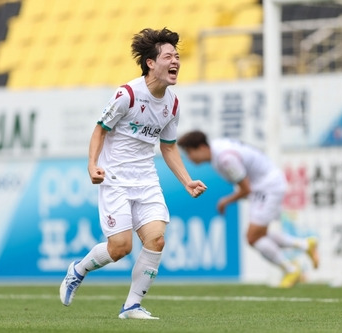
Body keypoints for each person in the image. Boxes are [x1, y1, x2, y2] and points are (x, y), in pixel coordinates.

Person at [59, 28, 207, 319]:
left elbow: (168, 147)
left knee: (157, 240)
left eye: (177, 56)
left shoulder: (172, 104)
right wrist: (92, 166)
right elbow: (100, 129)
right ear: (151, 63)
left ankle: (132, 306)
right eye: (168, 56)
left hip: (147, 180)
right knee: (120, 248)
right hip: (116, 180)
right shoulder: (127, 94)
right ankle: (78, 269)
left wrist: (187, 180)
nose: (176, 61)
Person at [177, 130, 318, 288]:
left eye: (190, 152)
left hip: (267, 187)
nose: (189, 158)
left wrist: (226, 201)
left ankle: (292, 268)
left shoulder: (225, 159)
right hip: (265, 185)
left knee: (253, 238)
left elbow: (246, 189)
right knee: (259, 235)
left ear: (202, 147)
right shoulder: (217, 149)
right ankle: (305, 245)